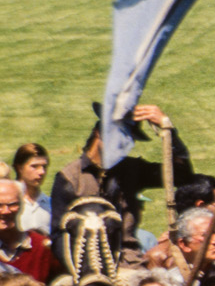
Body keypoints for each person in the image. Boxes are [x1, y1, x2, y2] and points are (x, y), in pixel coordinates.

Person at [50, 103, 193, 274]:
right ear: (100, 134)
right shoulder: (69, 178)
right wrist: (81, 270)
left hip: (128, 263)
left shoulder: (131, 169)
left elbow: (182, 175)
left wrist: (168, 129)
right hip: (84, 266)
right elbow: (59, 236)